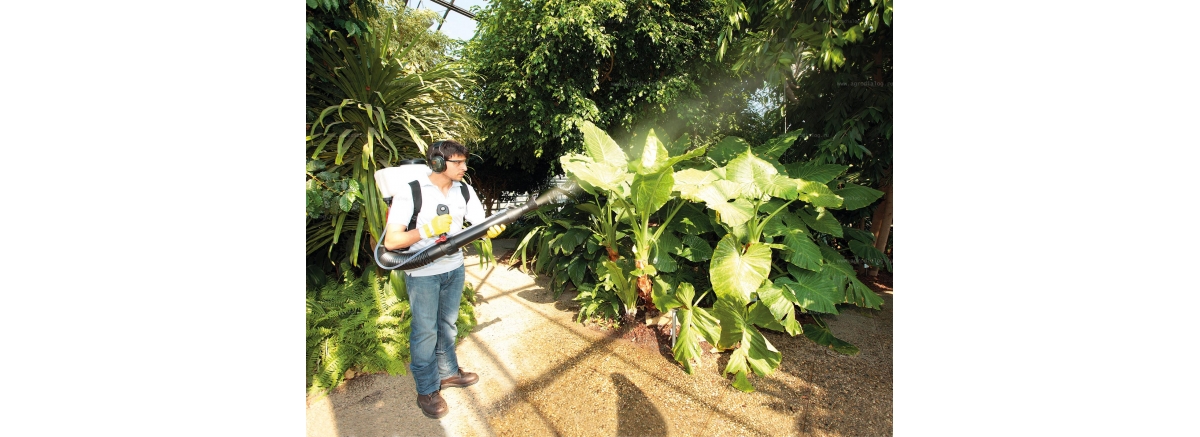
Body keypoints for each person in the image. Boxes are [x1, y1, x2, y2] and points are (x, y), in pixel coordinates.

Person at [382, 140, 505, 419]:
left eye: (465, 161)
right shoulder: (411, 191)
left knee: (447, 325)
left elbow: (480, 225)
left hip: (454, 267)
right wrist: (426, 230)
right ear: (437, 163)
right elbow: (391, 241)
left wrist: (489, 230)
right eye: (457, 162)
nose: (464, 167)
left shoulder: (465, 190)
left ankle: (447, 373)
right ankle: (426, 389)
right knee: (425, 331)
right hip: (423, 273)